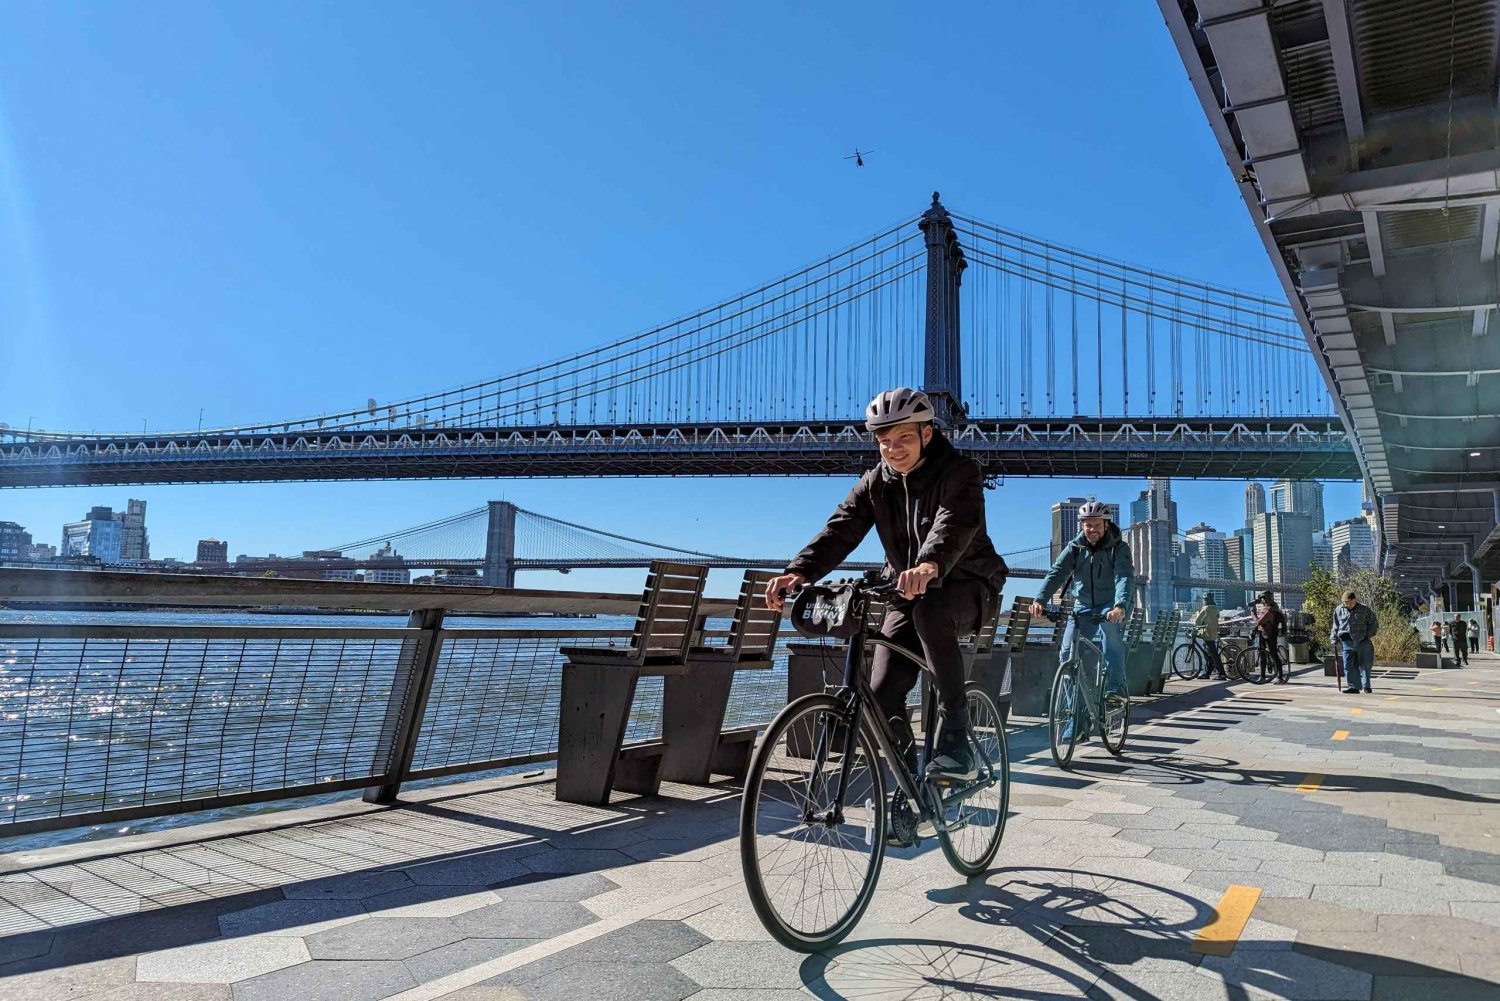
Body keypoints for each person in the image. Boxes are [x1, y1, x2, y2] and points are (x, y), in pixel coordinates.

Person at [766, 388, 1008, 790]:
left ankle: (955, 738)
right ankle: (911, 789)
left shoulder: (960, 472)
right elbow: (841, 528)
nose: (893, 450)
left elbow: (954, 523)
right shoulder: (876, 482)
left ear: (927, 434)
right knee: (880, 693)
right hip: (906, 590)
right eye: (884, 442)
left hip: (969, 586)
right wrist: (799, 572)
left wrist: (929, 565)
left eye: (904, 439)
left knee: (931, 613)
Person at [1030, 500, 1134, 732]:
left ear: (1106, 525)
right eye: (1087, 525)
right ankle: (1076, 720)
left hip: (1111, 605)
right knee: (1067, 656)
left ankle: (1115, 689)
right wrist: (1040, 599)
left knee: (1110, 634)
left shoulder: (1119, 548)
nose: (1092, 530)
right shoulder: (1075, 547)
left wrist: (1119, 606)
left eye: (1097, 525)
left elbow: (1123, 577)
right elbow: (1057, 572)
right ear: (1082, 525)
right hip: (1083, 605)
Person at [1331, 589, 1379, 694]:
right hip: (1346, 642)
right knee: (1348, 665)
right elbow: (1335, 626)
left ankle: (1366, 686)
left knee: (1365, 665)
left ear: (1354, 600)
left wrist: (1367, 635)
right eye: (1345, 603)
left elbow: (1374, 624)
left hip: (1363, 641)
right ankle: (1353, 687)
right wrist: (1333, 638)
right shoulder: (1338, 610)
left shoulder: (1364, 609)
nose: (1347, 605)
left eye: (1349, 602)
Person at [1255, 591, 1288, 683]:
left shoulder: (1269, 610)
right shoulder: (1275, 608)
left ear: (1264, 599)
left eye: (1262, 599)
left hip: (1267, 634)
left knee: (1265, 654)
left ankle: (1265, 677)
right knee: (1271, 654)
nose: (1261, 601)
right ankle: (1278, 677)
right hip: (1270, 633)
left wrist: (1252, 613)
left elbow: (1259, 622)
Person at [1192, 593, 1227, 680]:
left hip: (1207, 633)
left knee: (1213, 654)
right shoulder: (1215, 608)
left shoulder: (1206, 608)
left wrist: (1197, 613)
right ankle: (1206, 673)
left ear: (1205, 600)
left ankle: (1221, 674)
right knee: (1209, 653)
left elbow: (1197, 622)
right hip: (1214, 633)